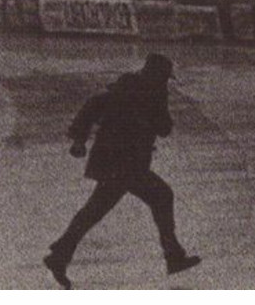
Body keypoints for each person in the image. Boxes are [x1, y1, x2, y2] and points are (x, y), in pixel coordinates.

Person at [44, 53, 200, 288]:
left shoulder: (125, 87)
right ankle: (173, 256)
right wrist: (160, 105)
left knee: (96, 210)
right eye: (165, 79)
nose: (166, 83)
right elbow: (164, 128)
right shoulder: (151, 94)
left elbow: (93, 106)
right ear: (158, 76)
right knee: (159, 196)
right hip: (126, 165)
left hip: (112, 161)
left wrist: (79, 139)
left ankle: (60, 254)